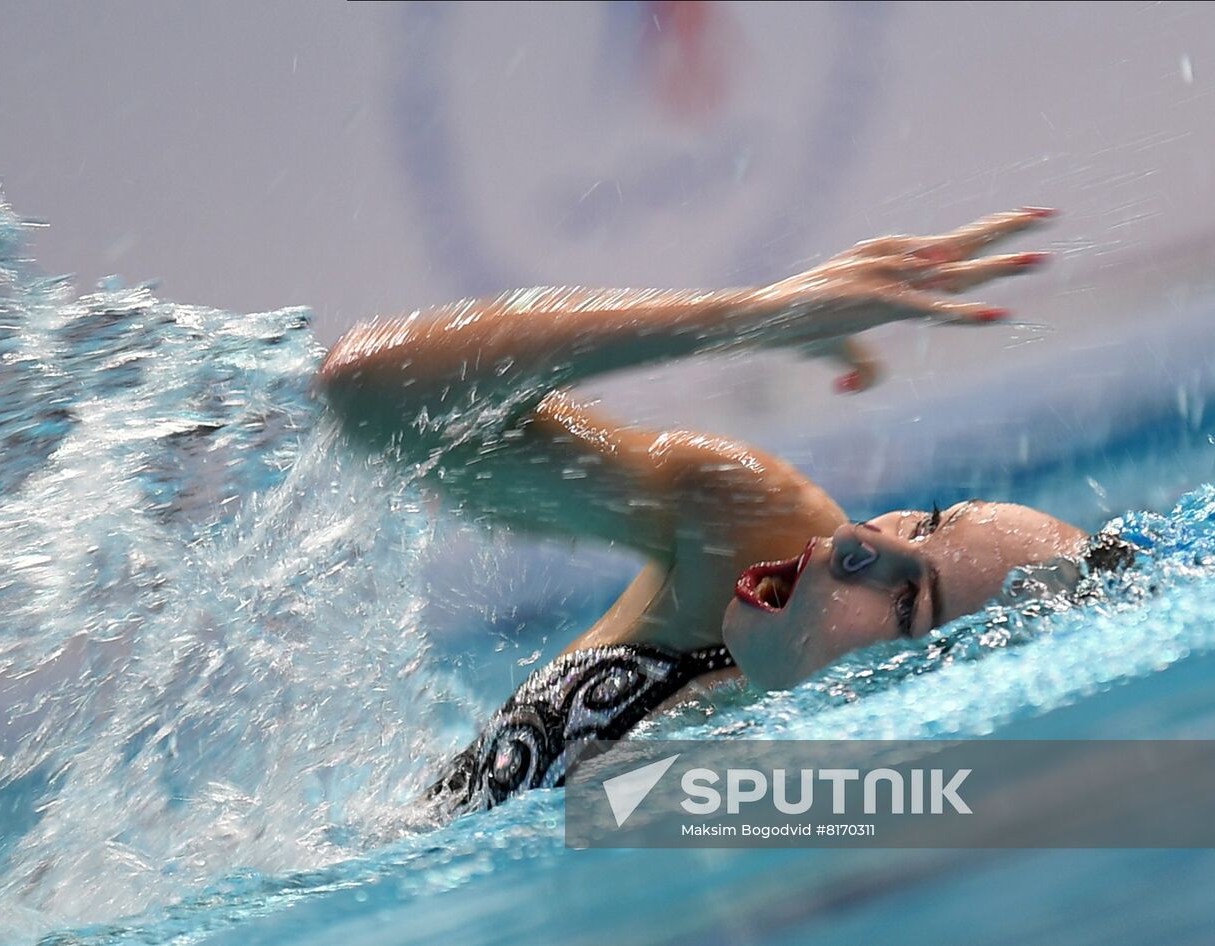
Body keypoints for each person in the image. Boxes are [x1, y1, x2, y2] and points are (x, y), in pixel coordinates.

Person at [316, 207, 1106, 816]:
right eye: (924, 522)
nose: (857, 541)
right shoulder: (751, 531)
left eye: (907, 603)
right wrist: (752, 318)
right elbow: (373, 391)